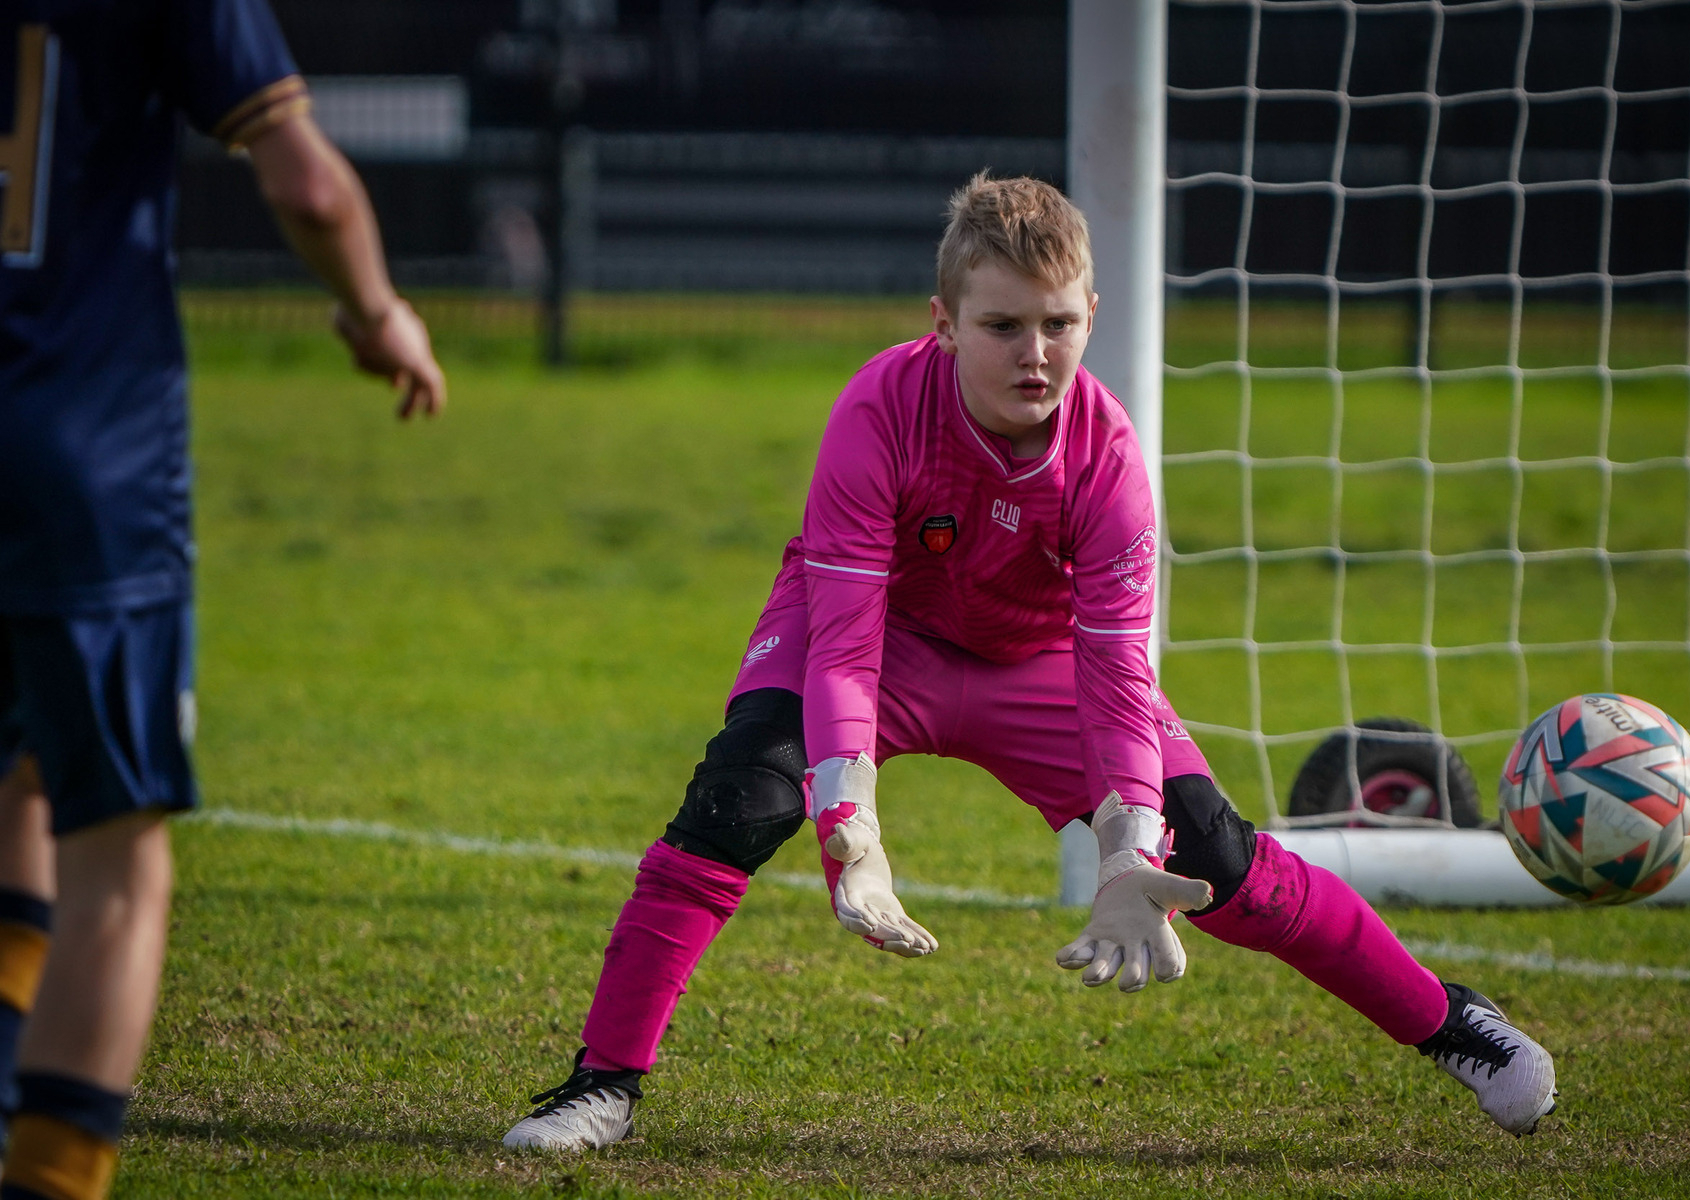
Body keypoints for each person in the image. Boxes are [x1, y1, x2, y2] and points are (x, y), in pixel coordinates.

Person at [501, 174, 1556, 1152]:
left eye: (1058, 325)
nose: (1034, 354)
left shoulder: (1110, 461)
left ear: (1092, 316)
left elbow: (1116, 680)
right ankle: (603, 1086)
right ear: (944, 324)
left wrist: (1128, 847)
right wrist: (848, 825)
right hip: (878, 645)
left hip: (1041, 662)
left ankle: (1452, 1023)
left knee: (1222, 864)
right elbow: (845, 641)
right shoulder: (877, 411)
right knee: (739, 799)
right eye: (1002, 326)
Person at [0, 3, 445, 1196]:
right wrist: (376, 310)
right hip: (77, 441)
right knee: (118, 862)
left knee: (28, 773)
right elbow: (306, 183)